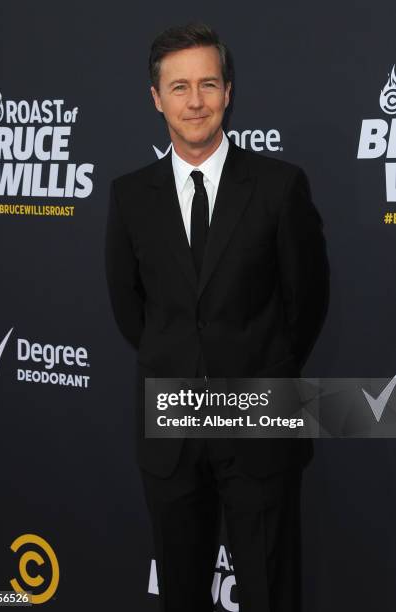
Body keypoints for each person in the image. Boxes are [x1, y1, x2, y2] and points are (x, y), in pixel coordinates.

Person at [105, 21, 330, 612]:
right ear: (156, 99)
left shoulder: (280, 188)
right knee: (181, 593)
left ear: (229, 91)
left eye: (208, 83)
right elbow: (131, 312)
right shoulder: (129, 197)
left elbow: (307, 303)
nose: (195, 100)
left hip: (261, 420)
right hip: (171, 426)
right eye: (179, 87)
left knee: (269, 591)